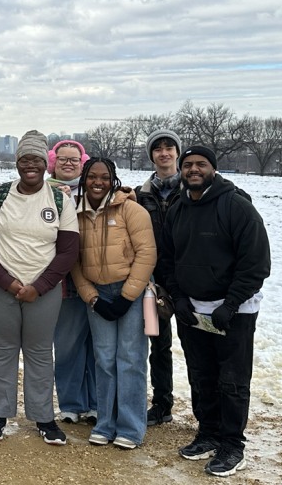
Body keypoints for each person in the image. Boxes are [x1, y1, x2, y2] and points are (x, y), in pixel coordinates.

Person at [160, 146, 270, 477]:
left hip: (232, 311)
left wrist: (232, 303)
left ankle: (232, 444)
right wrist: (178, 297)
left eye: (201, 164)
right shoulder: (178, 207)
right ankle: (207, 432)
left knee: (232, 380)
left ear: (213, 168)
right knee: (201, 374)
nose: (194, 169)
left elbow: (256, 263)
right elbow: (167, 258)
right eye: (188, 165)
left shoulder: (236, 205)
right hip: (193, 309)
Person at [0, 130, 80, 445]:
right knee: (3, 350)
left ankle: (44, 418)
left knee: (39, 352)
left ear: (45, 163)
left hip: (43, 291)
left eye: (36, 159)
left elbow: (68, 249)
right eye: (24, 159)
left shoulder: (59, 198)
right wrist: (6, 281)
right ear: (17, 162)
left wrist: (41, 285)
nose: (30, 165)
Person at [71, 158, 156, 450]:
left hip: (129, 291)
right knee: (104, 360)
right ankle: (105, 422)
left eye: (104, 177)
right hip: (97, 293)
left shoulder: (131, 210)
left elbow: (147, 254)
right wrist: (91, 297)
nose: (98, 182)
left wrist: (127, 296)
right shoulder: (75, 213)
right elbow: (74, 262)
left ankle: (131, 427)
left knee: (130, 359)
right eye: (92, 176)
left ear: (113, 180)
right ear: (84, 179)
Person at [47, 139, 98, 425]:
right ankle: (70, 403)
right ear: (53, 162)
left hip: (95, 278)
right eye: (62, 159)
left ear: (83, 162)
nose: (68, 163)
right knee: (66, 346)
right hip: (62, 283)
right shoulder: (41, 191)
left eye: (74, 160)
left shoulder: (96, 189)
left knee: (96, 347)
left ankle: (95, 403)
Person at [135, 130, 182, 427]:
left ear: (177, 152)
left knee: (197, 346)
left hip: (189, 280)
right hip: (154, 283)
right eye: (158, 149)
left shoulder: (192, 187)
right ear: (152, 155)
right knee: (159, 344)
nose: (164, 153)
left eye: (169, 147)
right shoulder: (142, 194)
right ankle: (162, 403)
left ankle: (208, 407)